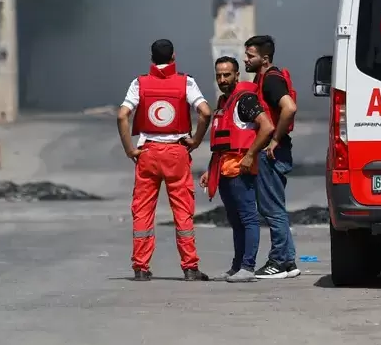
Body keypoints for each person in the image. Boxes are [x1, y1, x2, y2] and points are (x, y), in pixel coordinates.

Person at [116, 39, 212, 282]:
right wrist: (197, 140)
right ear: (174, 57)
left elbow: (122, 115)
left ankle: (140, 267)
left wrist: (130, 149)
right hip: (177, 152)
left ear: (151, 57)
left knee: (143, 210)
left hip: (148, 152)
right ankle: (190, 267)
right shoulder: (186, 82)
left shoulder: (139, 83)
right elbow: (205, 112)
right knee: (182, 211)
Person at [199, 57, 275, 283]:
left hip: (240, 170)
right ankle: (236, 267)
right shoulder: (224, 102)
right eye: (219, 75)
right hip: (223, 170)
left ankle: (248, 267)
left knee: (248, 219)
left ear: (236, 75)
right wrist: (209, 171)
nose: (222, 79)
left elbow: (267, 126)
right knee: (235, 220)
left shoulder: (245, 100)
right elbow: (222, 143)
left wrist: (250, 155)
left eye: (227, 75)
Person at [242, 35, 300, 279]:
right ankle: (288, 262)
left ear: (264, 59)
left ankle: (278, 260)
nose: (245, 59)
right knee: (274, 207)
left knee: (272, 208)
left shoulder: (271, 80)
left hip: (271, 152)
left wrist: (274, 139)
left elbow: (289, 108)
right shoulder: (265, 78)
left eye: (250, 56)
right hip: (274, 150)